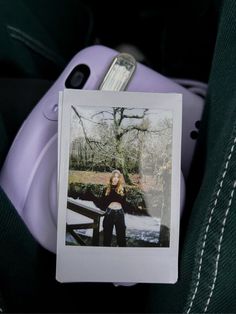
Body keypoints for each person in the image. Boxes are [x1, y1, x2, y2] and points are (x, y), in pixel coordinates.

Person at [93, 169, 127, 247]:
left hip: (120, 214)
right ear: (111, 178)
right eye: (114, 176)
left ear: (119, 179)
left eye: (117, 177)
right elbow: (101, 204)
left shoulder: (122, 189)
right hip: (109, 214)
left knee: (121, 239)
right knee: (107, 238)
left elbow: (124, 204)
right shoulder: (106, 189)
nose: (115, 178)